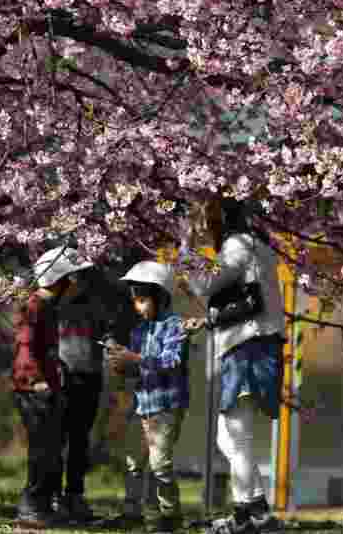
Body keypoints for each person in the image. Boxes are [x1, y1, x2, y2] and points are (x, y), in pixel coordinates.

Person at [185, 198, 284, 534]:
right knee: (228, 438)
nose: (204, 228)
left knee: (237, 434)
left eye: (207, 221)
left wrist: (186, 252)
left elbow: (204, 285)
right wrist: (209, 320)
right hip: (252, 344)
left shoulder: (238, 245)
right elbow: (242, 297)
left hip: (249, 347)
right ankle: (258, 512)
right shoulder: (255, 245)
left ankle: (244, 518)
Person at [106, 261, 190, 534]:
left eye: (142, 300)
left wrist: (136, 358)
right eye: (135, 301)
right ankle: (131, 513)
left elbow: (172, 360)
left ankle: (170, 516)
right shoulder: (138, 331)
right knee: (133, 461)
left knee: (160, 464)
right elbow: (136, 368)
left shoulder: (175, 326)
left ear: (160, 296)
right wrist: (120, 363)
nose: (138, 307)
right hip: (142, 404)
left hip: (166, 406)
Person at [13, 246, 93, 524]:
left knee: (51, 450)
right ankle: (31, 505)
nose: (75, 284)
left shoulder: (48, 307)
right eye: (71, 278)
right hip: (34, 390)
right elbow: (26, 347)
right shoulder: (34, 306)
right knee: (42, 451)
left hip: (49, 388)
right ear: (59, 280)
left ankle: (45, 505)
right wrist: (35, 380)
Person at [54, 266, 114, 522]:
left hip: (89, 376)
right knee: (57, 438)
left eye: (82, 278)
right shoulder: (55, 306)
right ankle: (53, 494)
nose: (78, 282)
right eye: (74, 277)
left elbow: (107, 334)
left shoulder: (97, 305)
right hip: (61, 378)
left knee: (80, 440)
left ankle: (75, 495)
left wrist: (111, 345)